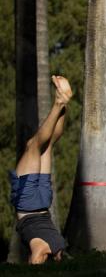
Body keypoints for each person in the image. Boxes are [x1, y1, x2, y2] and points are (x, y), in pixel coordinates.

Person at [9, 75, 72, 264]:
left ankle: (63, 106)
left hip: (44, 203)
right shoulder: (41, 250)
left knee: (47, 144)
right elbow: (35, 264)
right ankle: (59, 104)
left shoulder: (58, 246)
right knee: (34, 146)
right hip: (27, 204)